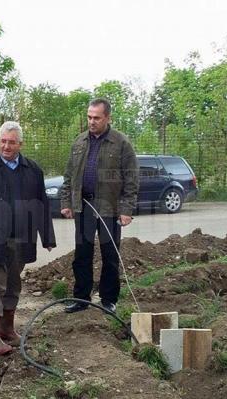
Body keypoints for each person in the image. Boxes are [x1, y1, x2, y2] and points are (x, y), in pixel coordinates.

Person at [0, 121, 56, 355]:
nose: (6, 146)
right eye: (3, 141)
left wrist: (47, 236)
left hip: (22, 239)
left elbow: (42, 204)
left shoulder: (33, 170)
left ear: (20, 144)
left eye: (11, 142)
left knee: (13, 285)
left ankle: (8, 329)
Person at [60, 98, 139, 314]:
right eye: (89, 117)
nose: (91, 121)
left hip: (109, 208)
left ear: (107, 118)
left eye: (96, 117)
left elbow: (131, 178)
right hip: (83, 206)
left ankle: (108, 299)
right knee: (82, 254)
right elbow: (69, 176)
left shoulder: (121, 143)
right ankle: (81, 298)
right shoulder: (79, 142)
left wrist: (126, 209)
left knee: (110, 255)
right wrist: (67, 202)